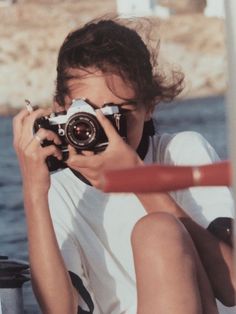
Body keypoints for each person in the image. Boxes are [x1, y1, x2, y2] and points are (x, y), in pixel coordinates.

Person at [13, 17, 235, 314]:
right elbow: (59, 310)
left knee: (158, 231)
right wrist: (34, 191)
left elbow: (230, 288)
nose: (106, 128)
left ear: (149, 106)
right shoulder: (59, 191)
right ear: (61, 110)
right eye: (91, 113)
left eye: (120, 112)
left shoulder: (181, 152)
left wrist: (136, 177)